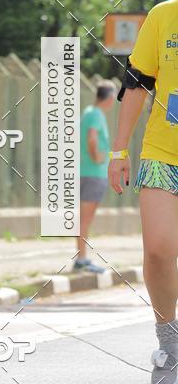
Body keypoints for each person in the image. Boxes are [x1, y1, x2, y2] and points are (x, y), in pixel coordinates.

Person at [108, 0, 178, 384]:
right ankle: (170, 341)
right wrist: (119, 150)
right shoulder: (164, 15)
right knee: (158, 249)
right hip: (163, 152)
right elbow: (137, 82)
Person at [74, 80, 115, 273]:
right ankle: (81, 259)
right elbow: (92, 137)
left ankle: (81, 257)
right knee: (85, 220)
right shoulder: (97, 114)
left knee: (83, 219)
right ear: (110, 97)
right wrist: (96, 156)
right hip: (94, 174)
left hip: (83, 172)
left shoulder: (88, 112)